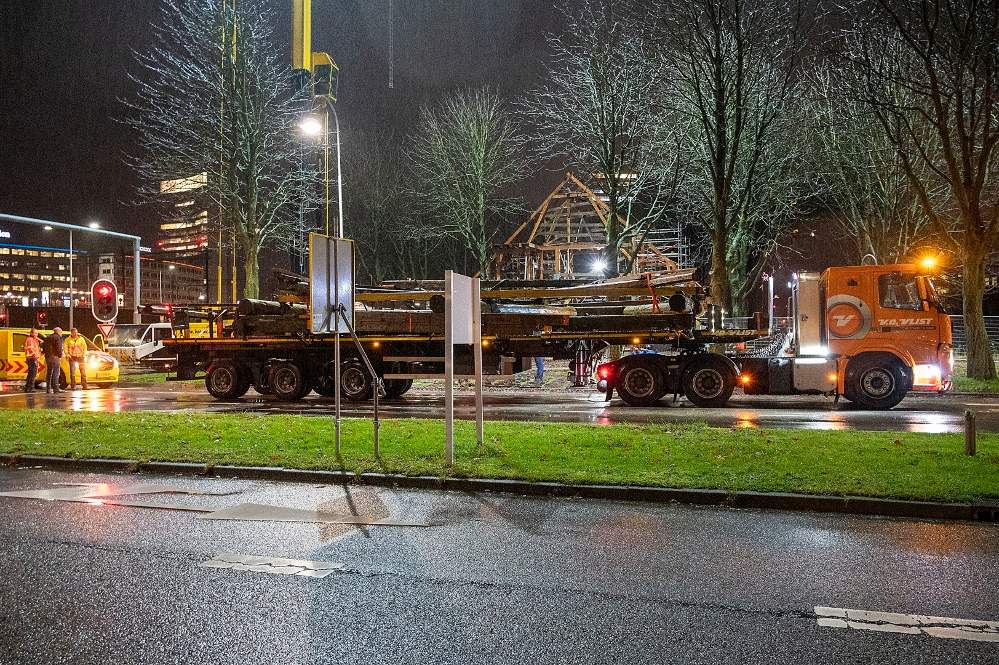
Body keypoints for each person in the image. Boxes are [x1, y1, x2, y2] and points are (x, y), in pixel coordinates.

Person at [42, 327, 64, 394]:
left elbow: (43, 346)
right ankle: (55, 389)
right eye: (61, 332)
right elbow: (58, 347)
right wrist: (60, 355)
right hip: (55, 356)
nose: (61, 334)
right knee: (56, 373)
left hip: (48, 357)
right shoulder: (58, 337)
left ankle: (48, 389)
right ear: (59, 332)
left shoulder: (47, 337)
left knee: (49, 373)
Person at [22, 328, 41, 393]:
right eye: (35, 333)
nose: (37, 334)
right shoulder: (30, 340)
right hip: (32, 358)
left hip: (32, 358)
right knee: (33, 373)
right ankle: (30, 387)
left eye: (37, 333)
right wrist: (35, 356)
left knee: (31, 373)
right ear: (31, 333)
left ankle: (28, 387)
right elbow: (31, 349)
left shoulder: (34, 339)